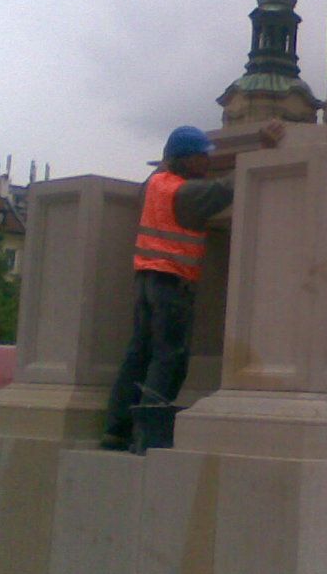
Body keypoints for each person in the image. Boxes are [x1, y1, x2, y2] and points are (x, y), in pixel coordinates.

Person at [101, 120, 284, 451]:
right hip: (171, 282)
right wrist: (264, 150)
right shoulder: (185, 193)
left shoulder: (154, 184)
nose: (208, 162)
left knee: (138, 354)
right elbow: (227, 188)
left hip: (146, 279)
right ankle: (147, 437)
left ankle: (116, 429)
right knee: (169, 357)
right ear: (183, 158)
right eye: (201, 157)